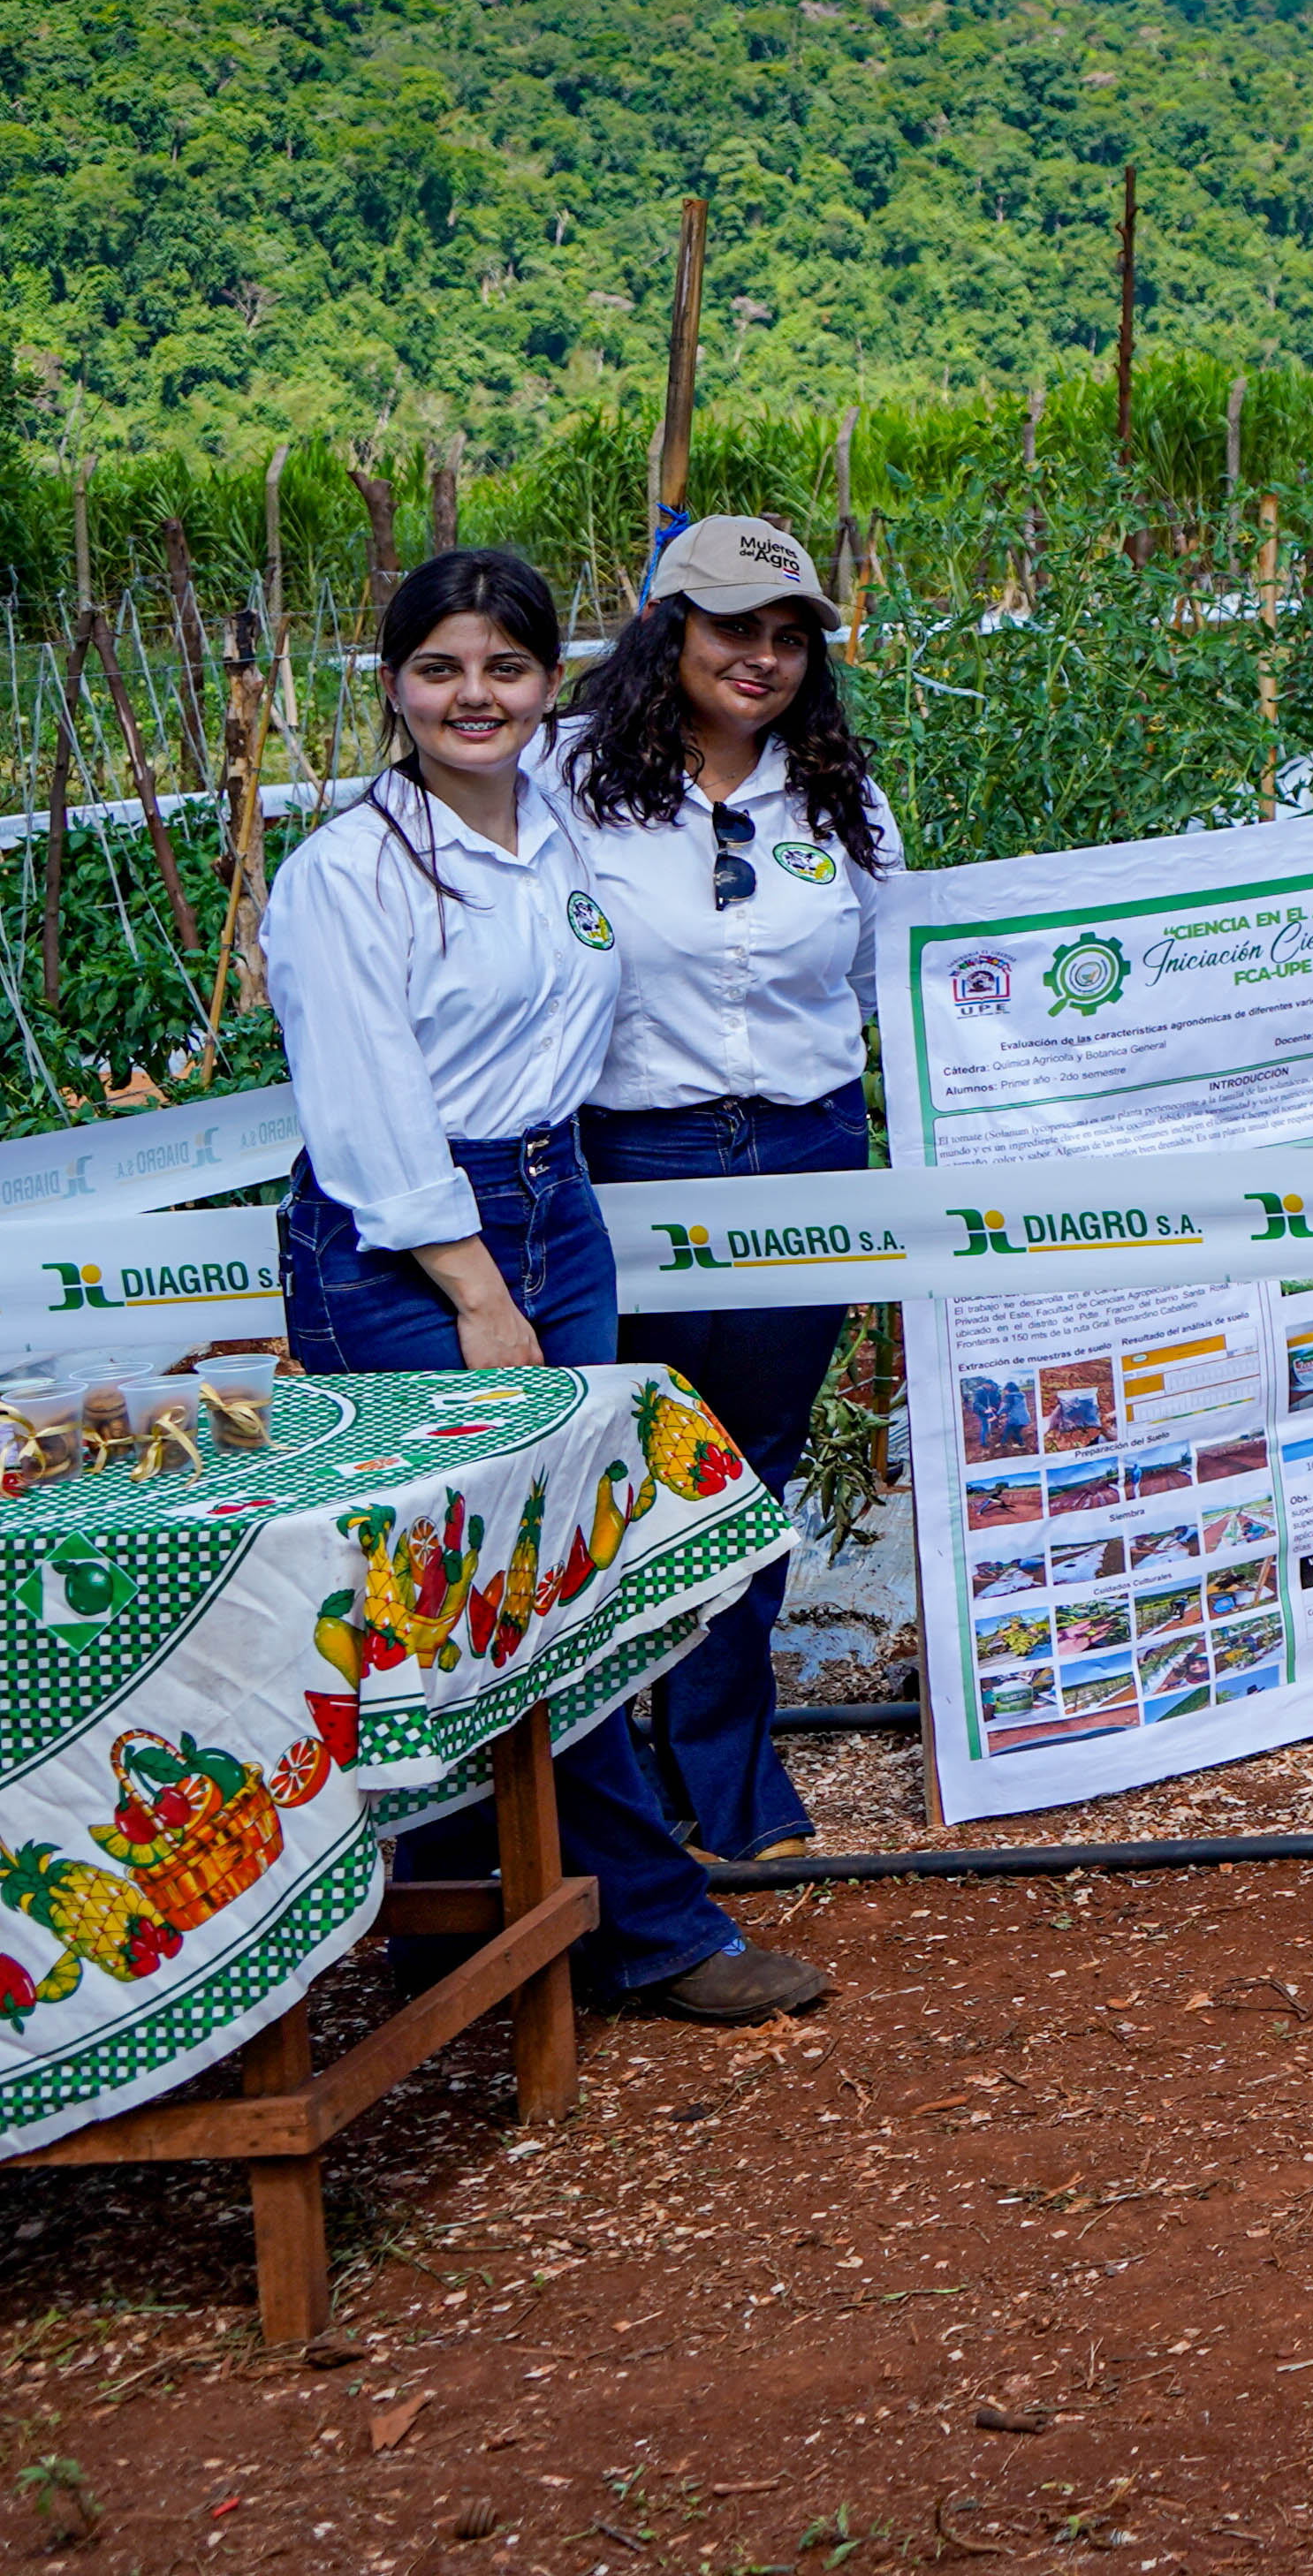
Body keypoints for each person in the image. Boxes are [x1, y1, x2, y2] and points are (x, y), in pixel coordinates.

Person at [265, 546, 827, 2026]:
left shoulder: (564, 823)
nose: (476, 696)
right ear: (392, 686)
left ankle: (471, 1937)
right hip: (411, 1244)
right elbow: (369, 1111)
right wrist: (475, 1287)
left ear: (546, 687)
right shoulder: (347, 872)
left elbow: (711, 731)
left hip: (554, 1202)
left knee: (545, 1575)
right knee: (480, 1584)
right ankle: (650, 1929)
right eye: (441, 668)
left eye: (506, 669)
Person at [551, 513, 902, 1870]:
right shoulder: (570, 783)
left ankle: (732, 1774)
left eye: (787, 636)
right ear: (667, 632)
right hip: (637, 1155)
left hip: (808, 1152)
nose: (760, 658)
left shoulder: (835, 791)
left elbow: (886, 977)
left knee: (749, 1467)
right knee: (626, 1465)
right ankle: (610, 1781)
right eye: (732, 629)